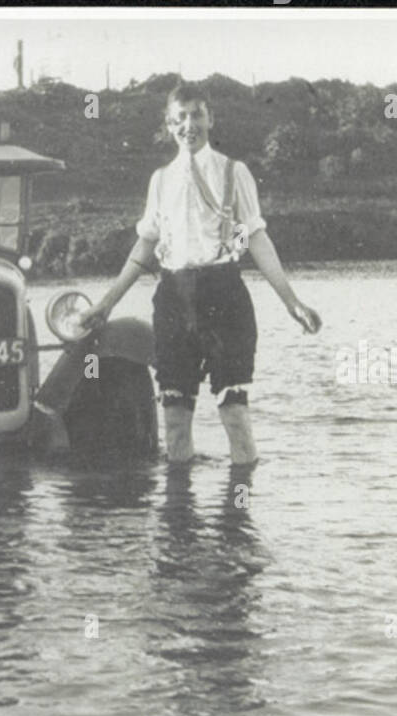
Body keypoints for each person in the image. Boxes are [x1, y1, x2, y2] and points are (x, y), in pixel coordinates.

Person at [82, 83, 321, 466]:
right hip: (174, 298)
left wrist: (292, 302)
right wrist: (106, 305)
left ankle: (237, 519)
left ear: (210, 118)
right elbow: (145, 245)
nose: (188, 125)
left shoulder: (234, 171)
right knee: (175, 417)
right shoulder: (160, 180)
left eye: (196, 115)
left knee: (235, 414)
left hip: (224, 296)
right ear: (168, 125)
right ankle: (179, 520)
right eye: (180, 118)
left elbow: (255, 236)